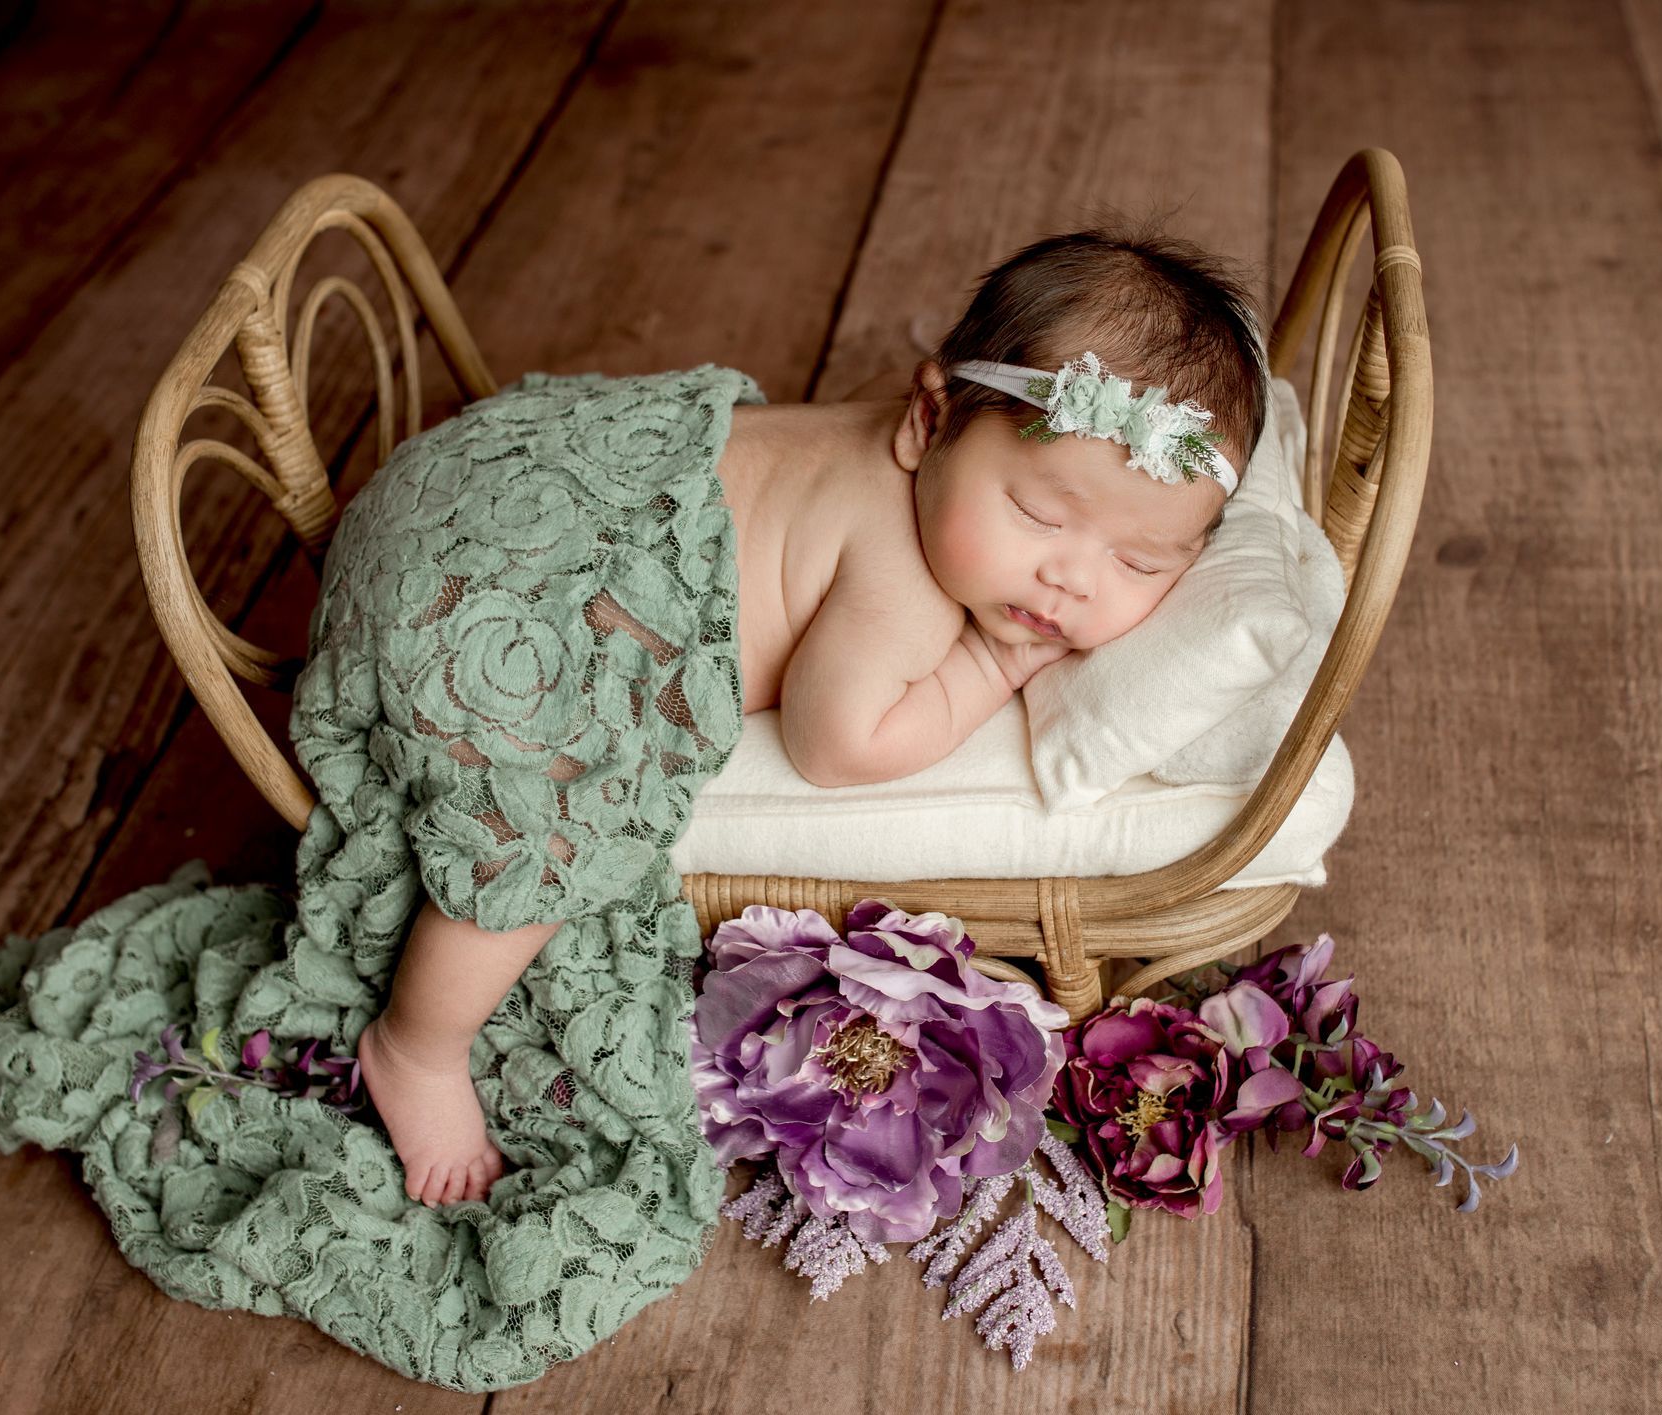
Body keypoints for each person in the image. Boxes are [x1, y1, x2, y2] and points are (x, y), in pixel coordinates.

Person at [346, 222, 1270, 1212]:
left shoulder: (930, 443)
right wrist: (991, 663)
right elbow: (837, 744)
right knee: (544, 826)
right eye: (1040, 514)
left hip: (489, 494)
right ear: (927, 418)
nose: (1070, 576)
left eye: (1139, 561)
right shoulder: (903, 581)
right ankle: (418, 1044)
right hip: (497, 620)